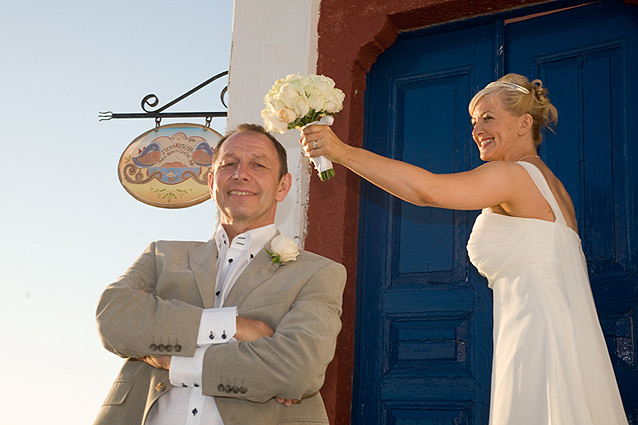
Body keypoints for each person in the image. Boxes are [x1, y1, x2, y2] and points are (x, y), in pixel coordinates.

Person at [301, 74, 628, 425]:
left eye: (488, 117)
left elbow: (428, 191)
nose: (477, 130)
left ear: (524, 123)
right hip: (558, 334)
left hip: (536, 337)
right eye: (474, 121)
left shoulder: (513, 175)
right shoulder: (553, 185)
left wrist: (342, 152)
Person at [94, 123, 347, 425]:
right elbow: (114, 319)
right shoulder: (161, 255)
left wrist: (172, 362)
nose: (241, 173)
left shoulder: (317, 273)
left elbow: (297, 369)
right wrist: (232, 326)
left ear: (283, 186)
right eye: (229, 164)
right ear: (212, 181)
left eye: (258, 164)